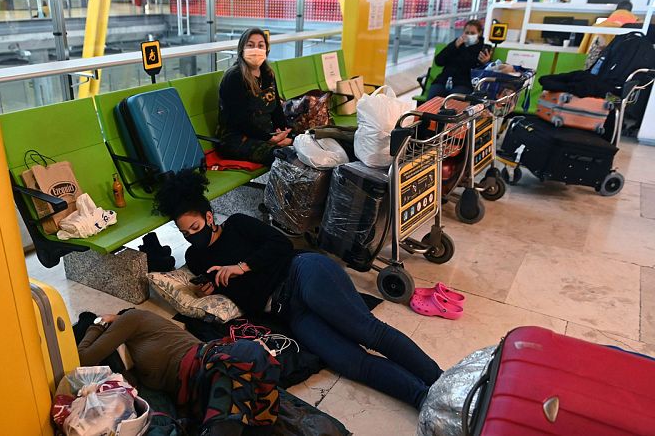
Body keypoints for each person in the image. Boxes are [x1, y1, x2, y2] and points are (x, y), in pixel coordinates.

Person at [153, 170, 443, 410]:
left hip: (302, 273)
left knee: (368, 331)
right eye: (184, 233)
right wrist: (210, 289)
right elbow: (230, 289)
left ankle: (441, 379)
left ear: (209, 217)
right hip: (290, 312)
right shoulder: (196, 257)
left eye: (194, 227)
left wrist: (241, 266)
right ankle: (424, 398)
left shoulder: (237, 225)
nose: (191, 236)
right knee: (351, 363)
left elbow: (282, 245)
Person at [77, 308, 279, 436]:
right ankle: (237, 425)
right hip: (197, 389)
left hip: (205, 361)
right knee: (238, 383)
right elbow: (85, 365)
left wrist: (97, 323)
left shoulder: (132, 318)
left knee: (240, 360)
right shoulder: (135, 361)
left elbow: (85, 357)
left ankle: (224, 426)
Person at [216, 28, 293, 165]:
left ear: (266, 50)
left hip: (265, 134)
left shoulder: (268, 74)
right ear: (242, 49)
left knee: (303, 145)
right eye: (250, 45)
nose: (256, 50)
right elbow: (239, 120)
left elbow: (276, 110)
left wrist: (284, 133)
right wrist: (269, 139)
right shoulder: (234, 77)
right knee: (285, 157)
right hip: (237, 139)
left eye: (260, 45)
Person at [427, 19, 493, 100]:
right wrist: (454, 46)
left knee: (453, 101)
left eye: (472, 33)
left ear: (479, 33)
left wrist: (486, 62)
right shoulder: (456, 44)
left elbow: (474, 66)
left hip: (464, 83)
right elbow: (439, 61)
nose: (469, 35)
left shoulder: (482, 49)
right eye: (466, 32)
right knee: (432, 99)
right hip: (443, 81)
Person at [579, 0, 640, 68]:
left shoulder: (597, 26)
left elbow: (586, 48)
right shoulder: (637, 28)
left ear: (616, 9)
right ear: (630, 11)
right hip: (618, 64)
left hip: (596, 63)